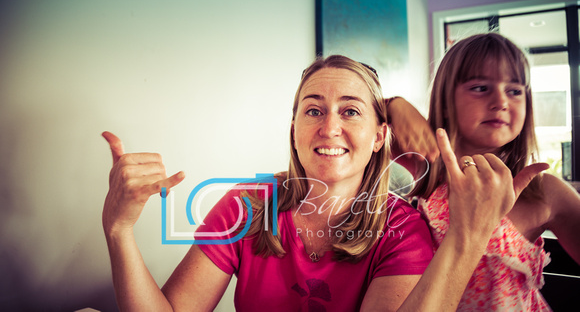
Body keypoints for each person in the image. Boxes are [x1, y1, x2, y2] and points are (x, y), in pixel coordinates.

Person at [102, 55, 546, 311]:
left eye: (350, 111)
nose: (329, 126)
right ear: (293, 127)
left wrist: (471, 232)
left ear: (379, 138)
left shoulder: (403, 229)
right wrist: (120, 230)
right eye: (313, 110)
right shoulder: (247, 205)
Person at [409, 33, 580, 311]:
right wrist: (395, 104)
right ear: (444, 102)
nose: (501, 101)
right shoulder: (425, 168)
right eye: (479, 87)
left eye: (514, 91)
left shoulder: (544, 191)